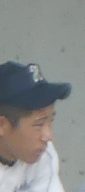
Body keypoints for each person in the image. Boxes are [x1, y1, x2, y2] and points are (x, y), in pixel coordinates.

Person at [0, 61, 72, 192]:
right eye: (39, 124)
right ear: (2, 125)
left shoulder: (43, 154)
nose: (48, 136)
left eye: (51, 121)